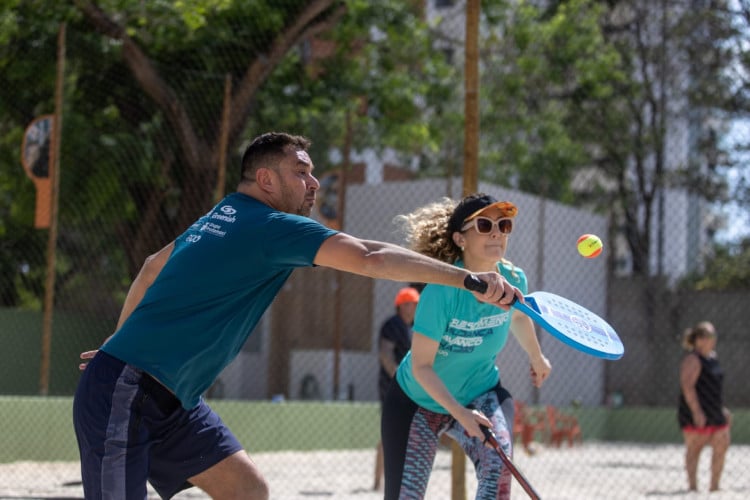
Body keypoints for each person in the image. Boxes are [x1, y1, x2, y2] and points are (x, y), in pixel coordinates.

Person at [72, 132, 522, 500]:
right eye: (301, 172)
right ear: (267, 179)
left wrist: (118, 342)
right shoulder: (270, 227)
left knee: (247, 490)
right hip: (130, 391)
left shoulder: (222, 213)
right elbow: (369, 257)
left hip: (171, 400)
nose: (315, 183)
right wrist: (468, 279)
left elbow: (152, 266)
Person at [381, 193, 552, 500]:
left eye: (504, 225)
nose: (497, 231)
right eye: (485, 225)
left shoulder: (514, 280)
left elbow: (518, 318)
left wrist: (537, 357)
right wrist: (460, 414)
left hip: (480, 392)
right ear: (460, 239)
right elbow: (421, 367)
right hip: (417, 401)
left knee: (498, 472)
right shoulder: (440, 292)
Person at [374, 286, 420, 490]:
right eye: (410, 304)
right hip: (393, 386)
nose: (414, 308)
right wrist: (399, 380)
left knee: (410, 433)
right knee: (389, 432)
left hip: (412, 386)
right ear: (400, 306)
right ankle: (378, 481)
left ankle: (402, 481)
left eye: (416, 304)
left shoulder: (415, 327)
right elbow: (385, 355)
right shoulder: (392, 325)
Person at [678, 320, 731, 492]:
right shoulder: (693, 359)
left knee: (722, 444)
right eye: (710, 336)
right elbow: (687, 387)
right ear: (699, 339)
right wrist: (697, 412)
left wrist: (722, 409)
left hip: (714, 411)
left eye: (714, 335)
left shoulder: (713, 358)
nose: (714, 339)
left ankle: (714, 486)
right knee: (694, 450)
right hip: (695, 412)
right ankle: (693, 487)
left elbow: (715, 388)